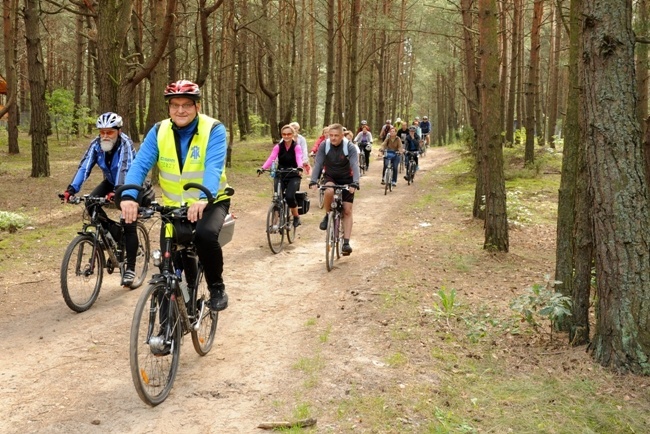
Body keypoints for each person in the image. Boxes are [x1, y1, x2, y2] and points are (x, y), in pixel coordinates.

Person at [120, 80, 232, 312]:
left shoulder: (214, 129)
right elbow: (140, 164)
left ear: (197, 107)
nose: (181, 110)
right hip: (173, 207)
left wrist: (204, 197)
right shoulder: (158, 130)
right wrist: (129, 195)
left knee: (204, 235)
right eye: (175, 105)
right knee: (168, 264)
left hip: (211, 201)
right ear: (169, 108)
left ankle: (216, 287)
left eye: (187, 105)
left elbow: (213, 166)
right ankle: (165, 327)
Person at [61, 112, 139, 287]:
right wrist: (71, 189)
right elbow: (85, 166)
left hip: (130, 183)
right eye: (102, 132)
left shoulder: (125, 144)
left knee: (129, 220)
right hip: (111, 182)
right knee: (91, 203)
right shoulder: (96, 145)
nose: (105, 136)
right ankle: (112, 235)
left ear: (118, 131)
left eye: (109, 132)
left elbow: (124, 169)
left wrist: (118, 192)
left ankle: (131, 269)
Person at [309, 123, 360, 255]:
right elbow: (319, 163)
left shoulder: (349, 147)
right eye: (331, 135)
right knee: (329, 190)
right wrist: (313, 180)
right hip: (331, 176)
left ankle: (346, 243)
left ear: (342, 136)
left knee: (347, 210)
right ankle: (327, 215)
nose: (333, 138)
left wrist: (355, 182)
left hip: (347, 179)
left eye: (336, 136)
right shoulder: (324, 145)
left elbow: (354, 165)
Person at [258, 124, 306, 227]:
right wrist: (263, 168)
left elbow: (299, 157)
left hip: (293, 174)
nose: (286, 136)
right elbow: (271, 158)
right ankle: (275, 221)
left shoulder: (296, 146)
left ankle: (296, 216)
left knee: (289, 197)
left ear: (293, 134)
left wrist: (300, 167)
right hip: (281, 173)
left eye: (289, 134)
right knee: (276, 197)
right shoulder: (278, 147)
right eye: (284, 134)